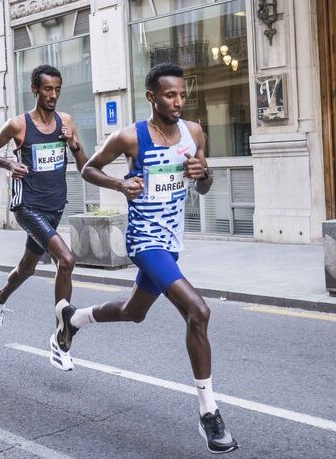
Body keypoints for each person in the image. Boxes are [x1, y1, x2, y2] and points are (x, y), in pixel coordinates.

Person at [77, 63, 238, 454]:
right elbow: (87, 168)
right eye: (170, 95)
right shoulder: (130, 137)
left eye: (182, 94)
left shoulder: (194, 132)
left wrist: (203, 174)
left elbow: (202, 185)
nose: (178, 102)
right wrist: (120, 183)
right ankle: (208, 412)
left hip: (171, 240)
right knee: (198, 312)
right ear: (152, 97)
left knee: (134, 312)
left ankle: (74, 318)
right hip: (145, 241)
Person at [0, 64, 89, 370]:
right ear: (35, 89)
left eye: (57, 89)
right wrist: (9, 165)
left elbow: (83, 164)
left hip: (55, 206)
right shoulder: (19, 125)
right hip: (27, 206)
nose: (53, 95)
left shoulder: (66, 121)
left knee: (26, 268)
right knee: (66, 260)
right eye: (47, 89)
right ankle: (61, 336)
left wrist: (73, 143)